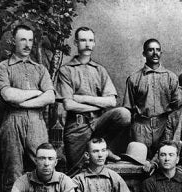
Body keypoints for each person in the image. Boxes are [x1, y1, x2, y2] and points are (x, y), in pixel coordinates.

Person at [56, 26, 131, 176]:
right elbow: (68, 104)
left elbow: (111, 102)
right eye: (83, 40)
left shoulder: (99, 70)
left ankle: (106, 146)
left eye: (91, 40)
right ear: (76, 43)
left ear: (94, 43)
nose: (87, 44)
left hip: (98, 122)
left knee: (123, 114)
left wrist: (80, 98)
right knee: (75, 172)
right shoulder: (66, 70)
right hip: (77, 126)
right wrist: (96, 103)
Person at [0, 24, 55, 192]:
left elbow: (50, 96)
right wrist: (36, 92)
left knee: (44, 166)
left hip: (37, 122)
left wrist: (24, 102)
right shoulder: (2, 68)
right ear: (13, 41)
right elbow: (8, 95)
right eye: (22, 40)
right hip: (12, 121)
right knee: (13, 171)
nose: (27, 45)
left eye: (30, 40)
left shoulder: (40, 69)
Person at [123, 38, 182, 160]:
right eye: (150, 50)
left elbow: (177, 106)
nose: (155, 53)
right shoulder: (134, 78)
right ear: (144, 53)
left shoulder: (171, 77)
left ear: (161, 53)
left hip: (164, 126)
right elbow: (128, 108)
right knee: (139, 163)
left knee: (163, 162)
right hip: (141, 128)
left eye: (158, 50)